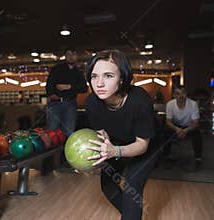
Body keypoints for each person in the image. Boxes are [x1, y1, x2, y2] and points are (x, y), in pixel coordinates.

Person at [84, 50, 158, 220]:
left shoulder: (140, 101)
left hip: (145, 147)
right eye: (94, 76)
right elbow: (101, 135)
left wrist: (115, 151)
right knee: (108, 187)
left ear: (122, 79)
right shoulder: (92, 103)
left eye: (108, 76)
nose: (99, 83)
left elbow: (142, 145)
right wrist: (87, 162)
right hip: (116, 143)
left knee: (132, 187)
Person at [45, 48, 87, 136]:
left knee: (69, 130)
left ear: (77, 56)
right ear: (65, 56)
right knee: (52, 130)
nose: (71, 56)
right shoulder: (57, 69)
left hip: (70, 103)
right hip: (55, 103)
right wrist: (50, 94)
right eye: (69, 54)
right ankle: (52, 150)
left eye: (73, 54)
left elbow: (84, 88)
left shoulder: (79, 72)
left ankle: (66, 150)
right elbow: (49, 83)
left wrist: (69, 86)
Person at [163, 86, 203, 168]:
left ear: (186, 94)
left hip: (189, 126)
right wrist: (177, 129)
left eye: (183, 93)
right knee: (165, 131)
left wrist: (186, 130)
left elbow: (195, 123)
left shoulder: (193, 104)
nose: (181, 96)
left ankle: (198, 157)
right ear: (174, 95)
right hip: (176, 126)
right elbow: (168, 121)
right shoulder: (170, 104)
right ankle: (167, 155)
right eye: (178, 94)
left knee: (197, 133)